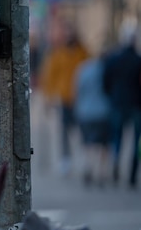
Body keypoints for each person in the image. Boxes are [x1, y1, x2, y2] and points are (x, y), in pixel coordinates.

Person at [39, 24, 90, 176]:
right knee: (64, 131)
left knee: (82, 130)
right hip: (64, 98)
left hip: (81, 98)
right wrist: (48, 97)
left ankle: (83, 157)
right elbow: (50, 76)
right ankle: (66, 160)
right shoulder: (58, 54)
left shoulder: (83, 53)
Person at [102, 31, 141, 189]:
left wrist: (111, 95)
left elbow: (105, 80)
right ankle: (132, 174)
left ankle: (116, 164)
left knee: (117, 138)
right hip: (136, 105)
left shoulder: (114, 60)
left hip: (118, 103)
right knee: (135, 141)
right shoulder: (138, 60)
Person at [73, 55, 111, 186]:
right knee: (103, 145)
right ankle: (101, 172)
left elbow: (77, 90)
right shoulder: (105, 69)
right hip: (103, 111)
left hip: (85, 111)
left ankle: (88, 167)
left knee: (87, 143)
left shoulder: (83, 69)